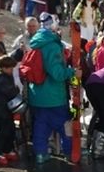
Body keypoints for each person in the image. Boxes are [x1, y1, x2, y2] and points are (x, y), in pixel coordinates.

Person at [28, 12, 81, 164]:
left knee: (41, 126)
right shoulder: (51, 46)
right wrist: (72, 72)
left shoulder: (36, 42)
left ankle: (40, 153)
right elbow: (57, 73)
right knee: (65, 125)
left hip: (37, 94)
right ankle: (70, 152)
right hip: (54, 96)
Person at [0, 56, 21, 166]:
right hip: (1, 109)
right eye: (9, 68)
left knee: (10, 129)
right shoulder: (2, 79)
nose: (11, 70)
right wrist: (17, 90)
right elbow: (10, 91)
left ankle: (6, 149)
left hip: (5, 109)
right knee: (1, 132)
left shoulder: (6, 77)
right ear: (3, 68)